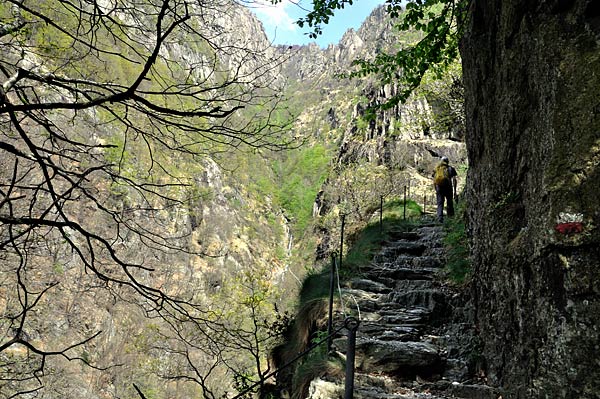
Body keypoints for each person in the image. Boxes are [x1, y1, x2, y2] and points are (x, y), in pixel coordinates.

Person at [432, 156, 457, 223]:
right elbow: (454, 179)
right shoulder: (450, 168)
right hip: (448, 187)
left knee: (440, 203)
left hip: (439, 187)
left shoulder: (437, 169)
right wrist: (455, 190)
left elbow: (434, 179)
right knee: (449, 202)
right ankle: (451, 218)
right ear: (447, 161)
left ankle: (440, 218)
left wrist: (436, 188)